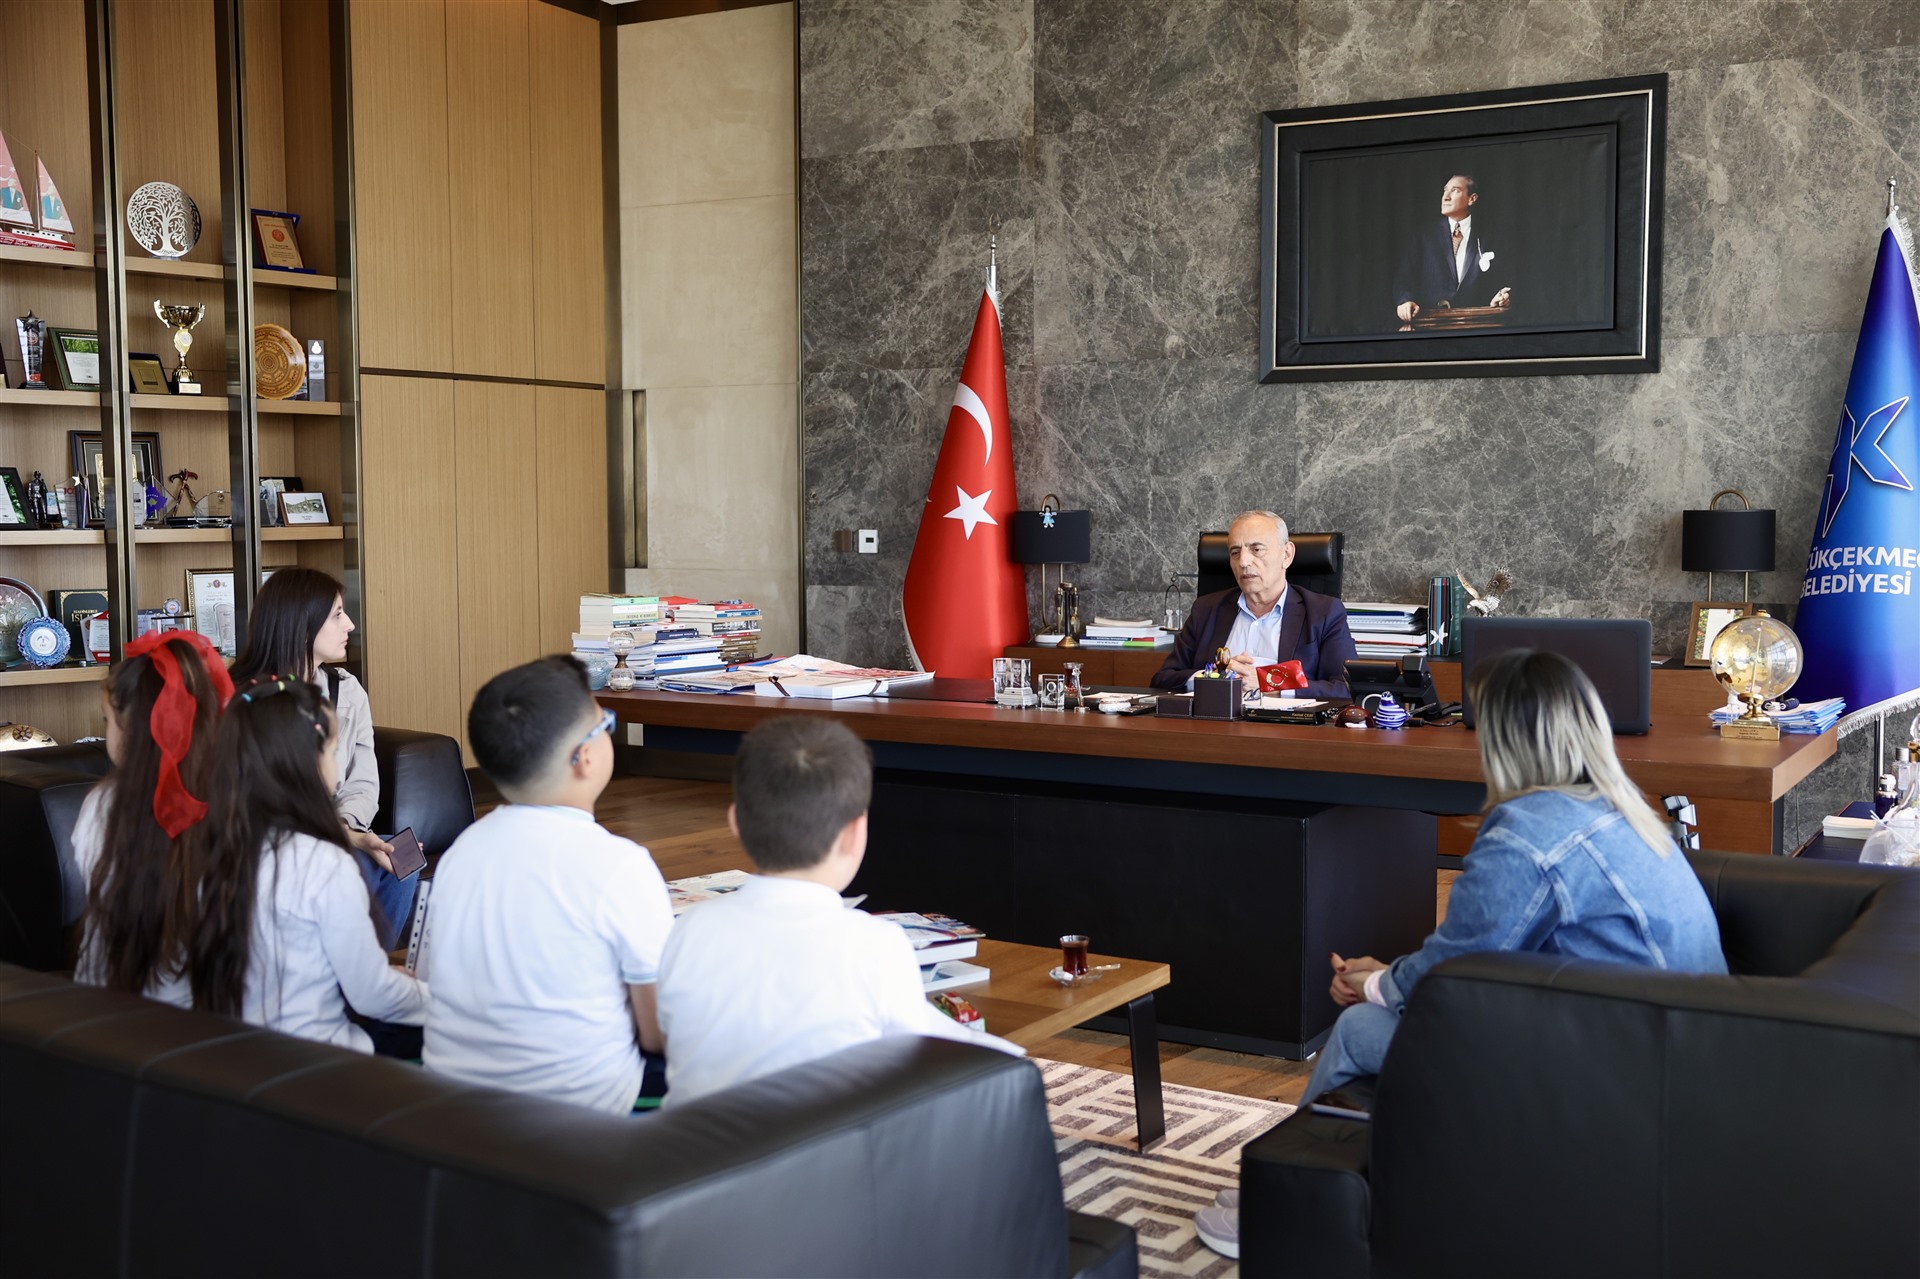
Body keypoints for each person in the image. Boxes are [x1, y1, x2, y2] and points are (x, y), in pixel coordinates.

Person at [1190, 650, 1727, 1259]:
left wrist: (1375, 985)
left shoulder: (1529, 833)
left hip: (1619, 1071)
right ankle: (1317, 1184)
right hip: (1671, 1053)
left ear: (1503, 738)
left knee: (1361, 1029)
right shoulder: (1614, 808)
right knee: (1381, 1015)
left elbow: (1454, 973)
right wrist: (1390, 977)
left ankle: (1291, 1207)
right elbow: (1486, 957)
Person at [656, 716, 1021, 1110]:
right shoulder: (877, 944)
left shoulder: (687, 931)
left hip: (690, 1144)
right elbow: (926, 1057)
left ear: (735, 823)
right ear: (854, 833)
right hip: (821, 1145)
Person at [422, 656, 675, 1114]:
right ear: (585, 757)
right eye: (606, 724)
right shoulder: (619, 865)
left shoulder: (460, 853)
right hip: (579, 1112)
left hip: (454, 1101)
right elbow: (657, 1034)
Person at [183, 674, 426, 1050]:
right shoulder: (324, 863)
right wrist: (439, 998)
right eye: (332, 751)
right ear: (308, 762)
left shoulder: (211, 846)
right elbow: (373, 997)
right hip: (314, 1057)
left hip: (230, 1051)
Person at [231, 568, 408, 945]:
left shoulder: (348, 690)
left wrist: (346, 830)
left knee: (401, 859)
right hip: (267, 841)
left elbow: (363, 783)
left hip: (337, 830)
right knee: (353, 867)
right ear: (302, 625)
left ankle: (368, 969)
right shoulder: (245, 699)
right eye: (337, 615)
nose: (350, 624)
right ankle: (352, 971)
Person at [70, 630, 232, 1006]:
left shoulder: (102, 805)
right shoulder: (235, 801)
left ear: (134, 730)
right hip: (211, 1017)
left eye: (107, 721)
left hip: (102, 1010)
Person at [1151, 510, 1357, 698]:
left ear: (1286, 555)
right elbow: (1164, 679)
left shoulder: (1324, 613)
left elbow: (1346, 688)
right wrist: (1215, 676)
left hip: (1285, 724)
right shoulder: (1206, 610)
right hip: (1215, 722)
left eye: (1256, 549)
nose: (1243, 562)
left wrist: (1267, 682)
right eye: (1235, 552)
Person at [1391, 173, 1514, 324]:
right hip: (1432, 325)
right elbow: (1403, 278)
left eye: (1455, 190)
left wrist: (1500, 297)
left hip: (1477, 324)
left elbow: (1504, 279)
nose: (1445, 197)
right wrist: (1405, 301)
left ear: (1472, 199)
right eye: (1445, 190)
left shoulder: (1490, 236)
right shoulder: (1424, 236)